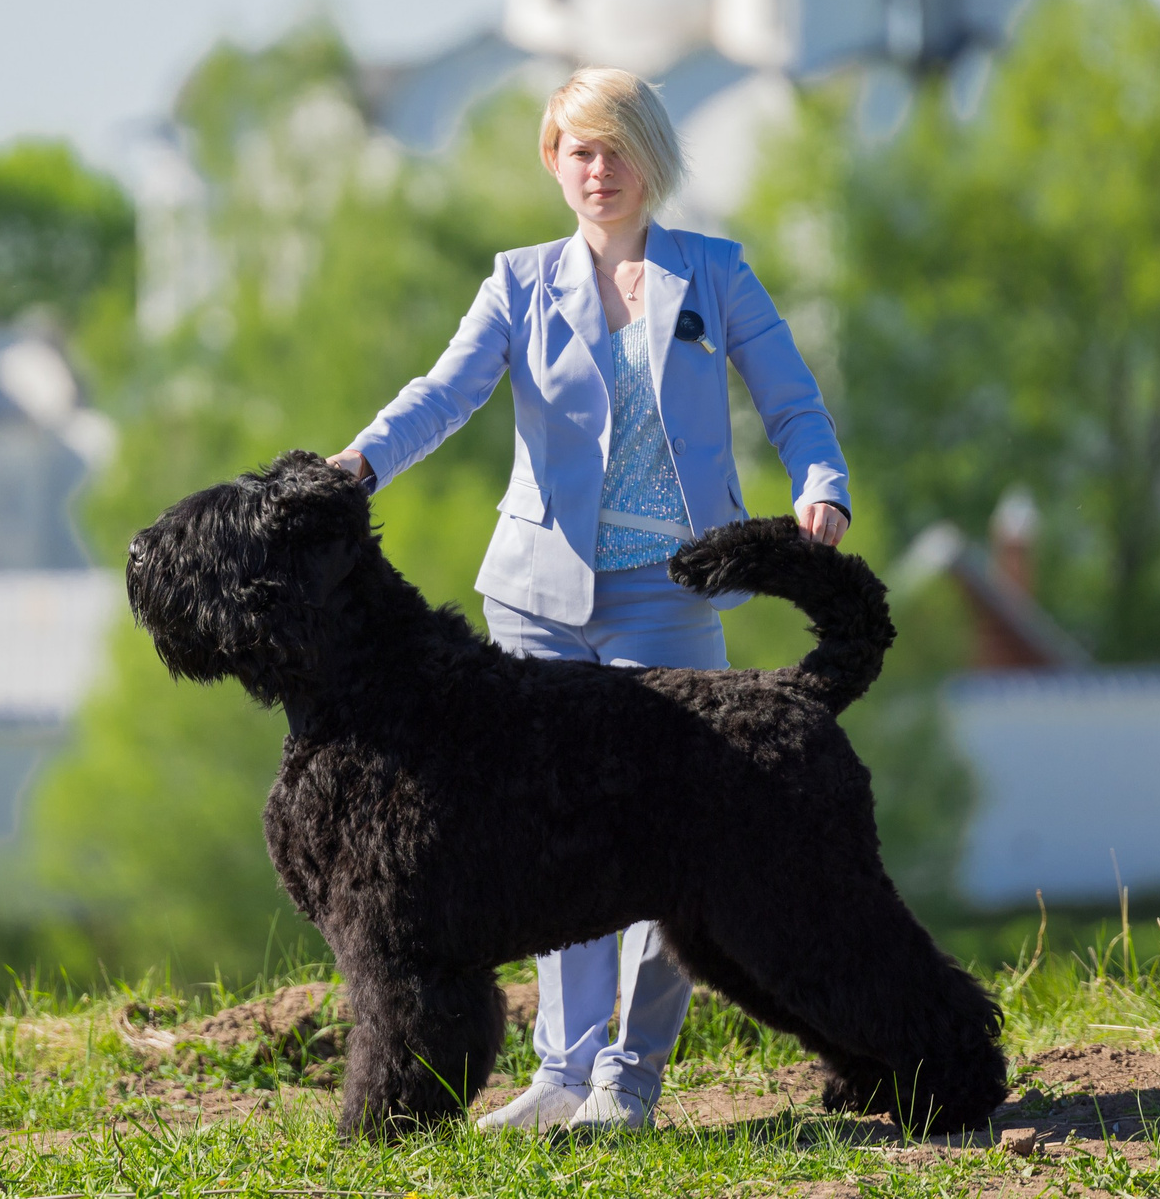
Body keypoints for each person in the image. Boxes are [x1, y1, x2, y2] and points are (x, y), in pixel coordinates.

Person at [329, 66, 851, 1132]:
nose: (598, 169)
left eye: (615, 149)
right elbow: (445, 392)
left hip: (669, 595)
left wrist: (820, 484)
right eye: (578, 150)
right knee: (551, 840)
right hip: (538, 601)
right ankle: (560, 1071)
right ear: (554, 164)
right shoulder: (517, 282)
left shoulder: (713, 274)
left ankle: (629, 1081)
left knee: (676, 840)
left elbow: (792, 399)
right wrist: (360, 463)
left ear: (650, 158)